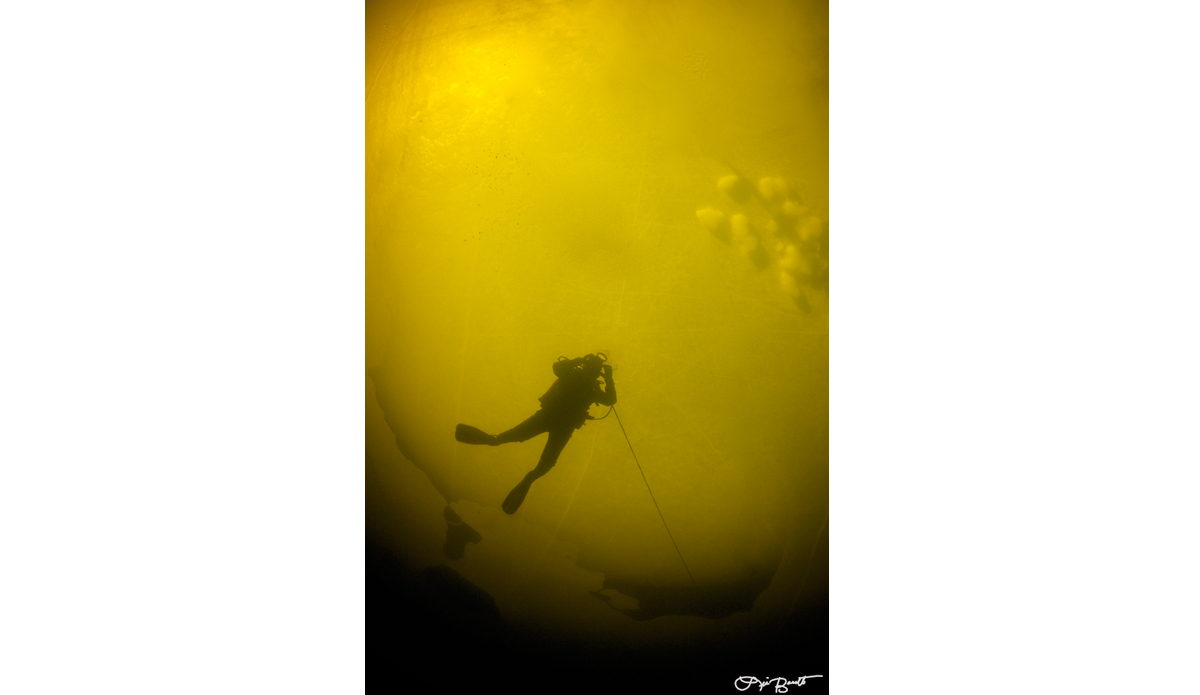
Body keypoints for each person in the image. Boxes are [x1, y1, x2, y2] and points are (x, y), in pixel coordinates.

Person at [455, 353, 616, 514]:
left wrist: (605, 376)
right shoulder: (576, 376)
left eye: (595, 368)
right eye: (592, 366)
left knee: (543, 461)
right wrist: (597, 370)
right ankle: (518, 467)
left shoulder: (589, 384)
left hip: (552, 420)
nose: (592, 370)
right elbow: (558, 367)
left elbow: (609, 400)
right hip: (556, 422)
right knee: (541, 460)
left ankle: (524, 474)